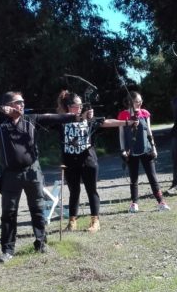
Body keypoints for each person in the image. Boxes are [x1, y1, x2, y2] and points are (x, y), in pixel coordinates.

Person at [0, 91, 79, 262]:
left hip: (32, 171)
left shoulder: (30, 120)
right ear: (8, 105)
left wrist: (75, 116)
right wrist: (1, 110)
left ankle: (41, 242)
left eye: (23, 102)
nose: (22, 105)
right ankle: (8, 250)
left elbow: (54, 118)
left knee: (38, 209)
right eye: (18, 102)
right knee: (8, 213)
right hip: (10, 174)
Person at [58, 90, 135, 232]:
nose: (80, 108)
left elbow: (107, 122)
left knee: (91, 190)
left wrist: (128, 122)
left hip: (88, 161)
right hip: (70, 162)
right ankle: (72, 222)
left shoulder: (88, 121)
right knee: (73, 191)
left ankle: (95, 221)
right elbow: (50, 118)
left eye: (82, 106)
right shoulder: (62, 121)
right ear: (69, 106)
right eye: (77, 105)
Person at [117, 91, 170, 212]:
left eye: (141, 101)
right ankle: (134, 203)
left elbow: (149, 131)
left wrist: (154, 147)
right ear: (130, 102)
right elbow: (121, 134)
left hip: (146, 150)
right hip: (131, 151)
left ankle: (161, 202)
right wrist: (122, 150)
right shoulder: (123, 115)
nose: (140, 103)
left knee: (153, 177)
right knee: (133, 179)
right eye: (137, 101)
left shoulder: (145, 113)